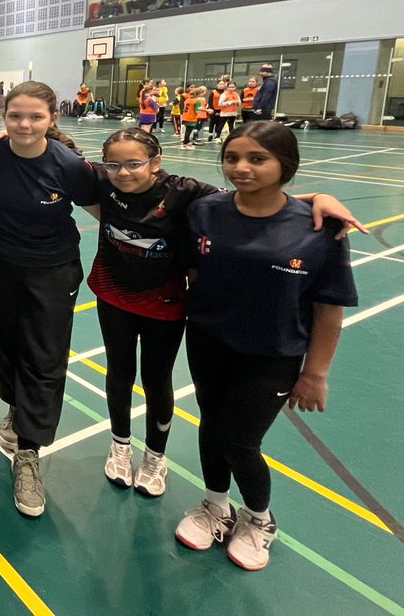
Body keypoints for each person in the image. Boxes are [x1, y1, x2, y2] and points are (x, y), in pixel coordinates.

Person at [87, 128, 359, 498]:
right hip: (113, 294)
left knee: (157, 380)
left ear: (156, 162)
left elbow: (256, 198)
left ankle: (155, 456)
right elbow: (49, 157)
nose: (123, 172)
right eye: (114, 164)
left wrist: (318, 196)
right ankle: (120, 445)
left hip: (164, 304)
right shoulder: (101, 181)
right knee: (119, 373)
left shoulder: (185, 192)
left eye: (134, 163)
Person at [175, 121, 357, 571]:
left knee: (239, 439)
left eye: (257, 159)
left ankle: (259, 519)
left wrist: (315, 373)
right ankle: (217, 506)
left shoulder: (320, 227)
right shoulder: (205, 212)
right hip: (208, 341)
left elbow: (329, 308)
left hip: (273, 353)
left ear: (285, 165)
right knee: (211, 424)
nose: (241, 167)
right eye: (232, 157)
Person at [0, 81, 100, 517]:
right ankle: (15, 410)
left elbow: (107, 209)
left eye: (35, 117)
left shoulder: (69, 165)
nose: (24, 125)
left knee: (44, 357)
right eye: (14, 116)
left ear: (52, 119)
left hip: (51, 269)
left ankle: (29, 452)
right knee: (4, 344)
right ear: (2, 117)